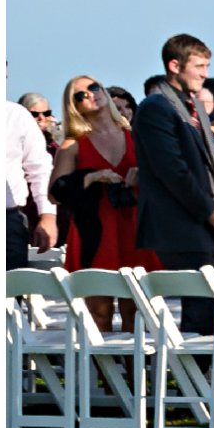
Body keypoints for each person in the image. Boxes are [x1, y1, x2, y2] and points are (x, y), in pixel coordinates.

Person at [133, 33, 214, 338]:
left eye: (207, 66)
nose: (205, 73)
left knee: (206, 309)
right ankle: (193, 382)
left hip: (201, 223)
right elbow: (173, 171)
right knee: (199, 311)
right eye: (199, 66)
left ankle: (200, 381)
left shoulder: (193, 105)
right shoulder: (156, 107)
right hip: (178, 224)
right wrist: (210, 213)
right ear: (175, 65)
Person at [54, 75, 161, 311]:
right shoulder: (73, 144)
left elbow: (163, 177)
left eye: (94, 87)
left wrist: (143, 174)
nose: (91, 94)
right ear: (74, 106)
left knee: (137, 311)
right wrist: (91, 177)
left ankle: (137, 350)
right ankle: (94, 350)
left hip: (135, 227)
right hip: (95, 231)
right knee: (99, 312)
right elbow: (55, 192)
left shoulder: (136, 134)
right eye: (81, 95)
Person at [3, 94, 58, 269]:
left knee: (10, 293)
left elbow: (39, 168)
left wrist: (47, 215)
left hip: (8, 221)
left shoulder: (16, 115)